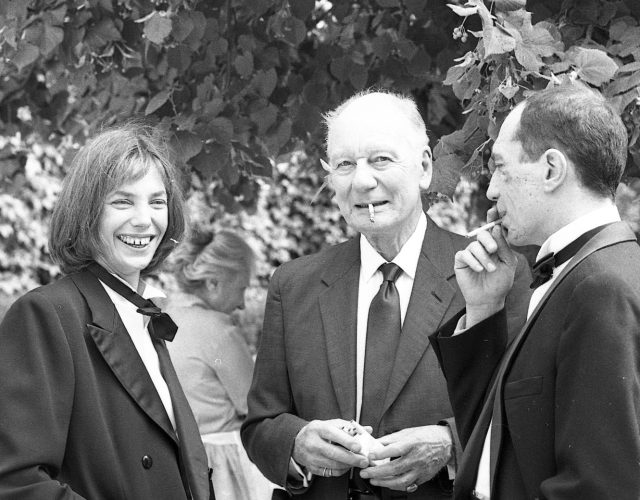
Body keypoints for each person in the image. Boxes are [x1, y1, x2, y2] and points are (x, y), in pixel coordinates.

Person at [241, 90, 531, 499]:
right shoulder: (293, 285)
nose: (362, 180)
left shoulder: (494, 275)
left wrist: (450, 446)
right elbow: (261, 424)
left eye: (381, 159)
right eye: (345, 164)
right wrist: (297, 443)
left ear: (425, 167)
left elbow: (524, 413)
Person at [430, 84, 640, 499]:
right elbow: (504, 450)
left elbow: (599, 488)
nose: (490, 191)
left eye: (501, 167)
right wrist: (484, 310)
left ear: (551, 170)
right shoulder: (576, 274)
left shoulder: (601, 286)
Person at [0, 123, 214, 500]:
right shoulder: (46, 314)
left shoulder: (144, 312)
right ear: (87, 213)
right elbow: (17, 483)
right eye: (122, 201)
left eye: (157, 201)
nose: (144, 219)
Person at [166, 228, 274, 500]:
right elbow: (255, 404)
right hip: (219, 466)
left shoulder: (162, 316)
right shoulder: (218, 330)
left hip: (173, 462)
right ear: (213, 283)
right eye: (241, 289)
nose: (241, 305)